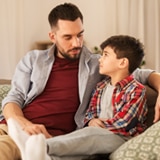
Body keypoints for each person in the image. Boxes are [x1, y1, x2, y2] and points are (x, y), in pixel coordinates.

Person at [0, 2, 160, 160]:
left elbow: (141, 73)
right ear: (52, 37)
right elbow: (14, 97)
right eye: (68, 37)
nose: (76, 43)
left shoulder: (97, 64)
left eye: (80, 35)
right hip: (13, 128)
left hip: (55, 139)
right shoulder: (33, 59)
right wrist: (24, 124)